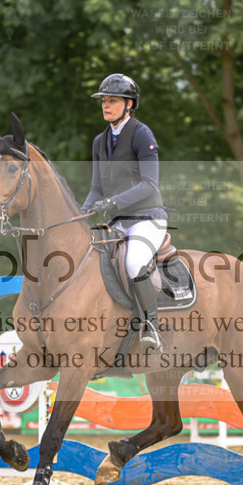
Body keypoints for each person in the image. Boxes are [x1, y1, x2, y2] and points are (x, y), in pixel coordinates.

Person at [81, 73, 168, 353]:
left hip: (148, 219)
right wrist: (81, 215)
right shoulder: (99, 141)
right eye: (104, 100)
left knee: (133, 263)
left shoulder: (142, 134)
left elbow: (149, 184)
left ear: (129, 104)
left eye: (113, 100)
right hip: (117, 223)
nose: (106, 105)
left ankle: (151, 325)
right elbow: (96, 188)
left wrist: (113, 202)